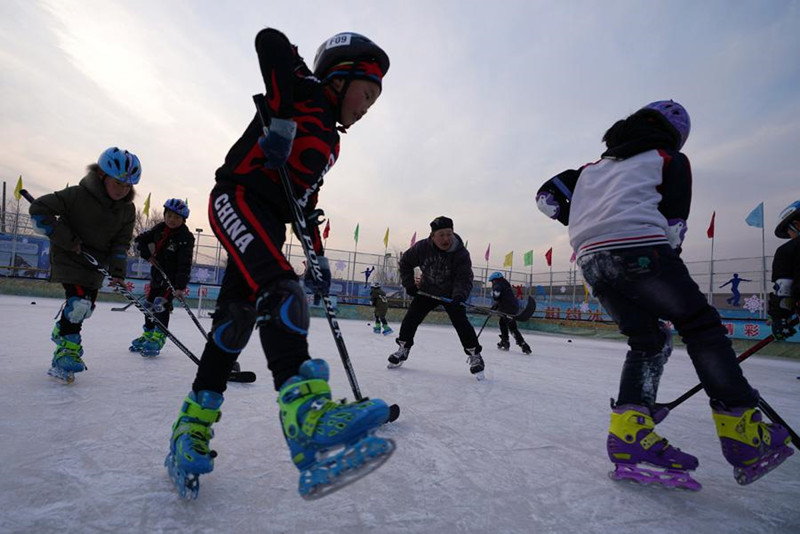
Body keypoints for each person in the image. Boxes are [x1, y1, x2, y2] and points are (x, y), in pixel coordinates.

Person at [164, 28, 393, 498]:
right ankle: (306, 413)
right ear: (338, 78)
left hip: (268, 220)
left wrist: (320, 255)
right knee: (282, 291)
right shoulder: (304, 90)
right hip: (237, 196)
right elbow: (269, 39)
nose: (367, 107)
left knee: (235, 323)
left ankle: (191, 426)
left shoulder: (331, 141)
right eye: (366, 92)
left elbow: (305, 203)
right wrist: (284, 117)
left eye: (374, 101)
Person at [536, 100, 792, 488]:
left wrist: (584, 216)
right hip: (641, 250)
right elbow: (673, 227)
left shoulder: (589, 170)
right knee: (701, 327)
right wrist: (660, 264)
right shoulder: (669, 158)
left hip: (591, 261)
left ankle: (630, 432)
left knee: (649, 339)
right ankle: (744, 433)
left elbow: (545, 198)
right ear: (676, 136)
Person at [29, 147, 139, 383]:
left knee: (84, 308)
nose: (123, 190)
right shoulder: (77, 195)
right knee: (78, 304)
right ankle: (66, 351)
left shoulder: (127, 210)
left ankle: (63, 331)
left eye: (128, 186)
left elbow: (121, 243)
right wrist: (67, 239)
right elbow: (39, 210)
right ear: (101, 174)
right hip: (69, 256)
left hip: (95, 262)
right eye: (118, 183)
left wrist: (118, 273)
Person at [387, 216, 485, 379]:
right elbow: (405, 263)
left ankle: (475, 355)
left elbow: (464, 277)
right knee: (411, 319)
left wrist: (459, 295)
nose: (446, 238)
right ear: (433, 236)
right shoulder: (422, 248)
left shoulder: (461, 253)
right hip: (427, 291)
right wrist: (409, 284)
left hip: (451, 293)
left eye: (449, 234)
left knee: (461, 322)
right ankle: (403, 349)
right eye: (442, 235)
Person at [129, 199, 195, 357]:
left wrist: (179, 287)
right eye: (170, 215)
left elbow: (184, 264)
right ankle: (148, 334)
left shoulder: (186, 237)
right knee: (149, 305)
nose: (172, 220)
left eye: (177, 218)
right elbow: (140, 241)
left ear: (183, 220)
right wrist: (148, 256)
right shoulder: (159, 228)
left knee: (161, 304)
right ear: (165, 215)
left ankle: (159, 336)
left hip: (172, 280)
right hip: (157, 275)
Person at [768, 201, 800, 343]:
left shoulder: (788, 250)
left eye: (789, 232)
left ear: (797, 224)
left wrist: (779, 318)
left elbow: (784, 288)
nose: (791, 236)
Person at [488, 272, 531, 354]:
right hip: (511, 307)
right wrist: (495, 306)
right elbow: (503, 298)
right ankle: (505, 341)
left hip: (508, 309)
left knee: (512, 327)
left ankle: (523, 345)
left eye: (492, 281)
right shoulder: (505, 284)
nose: (492, 283)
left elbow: (497, 294)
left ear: (495, 280)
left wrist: (495, 295)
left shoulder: (498, 284)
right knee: (502, 323)